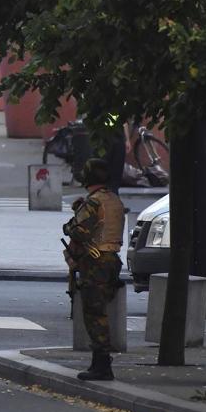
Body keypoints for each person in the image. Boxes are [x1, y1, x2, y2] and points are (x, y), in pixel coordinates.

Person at [62, 158, 124, 381]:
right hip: (112, 259)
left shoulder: (94, 202)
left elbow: (79, 231)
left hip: (95, 262)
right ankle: (101, 362)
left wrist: (69, 224)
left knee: (94, 313)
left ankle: (101, 364)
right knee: (100, 310)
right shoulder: (113, 200)